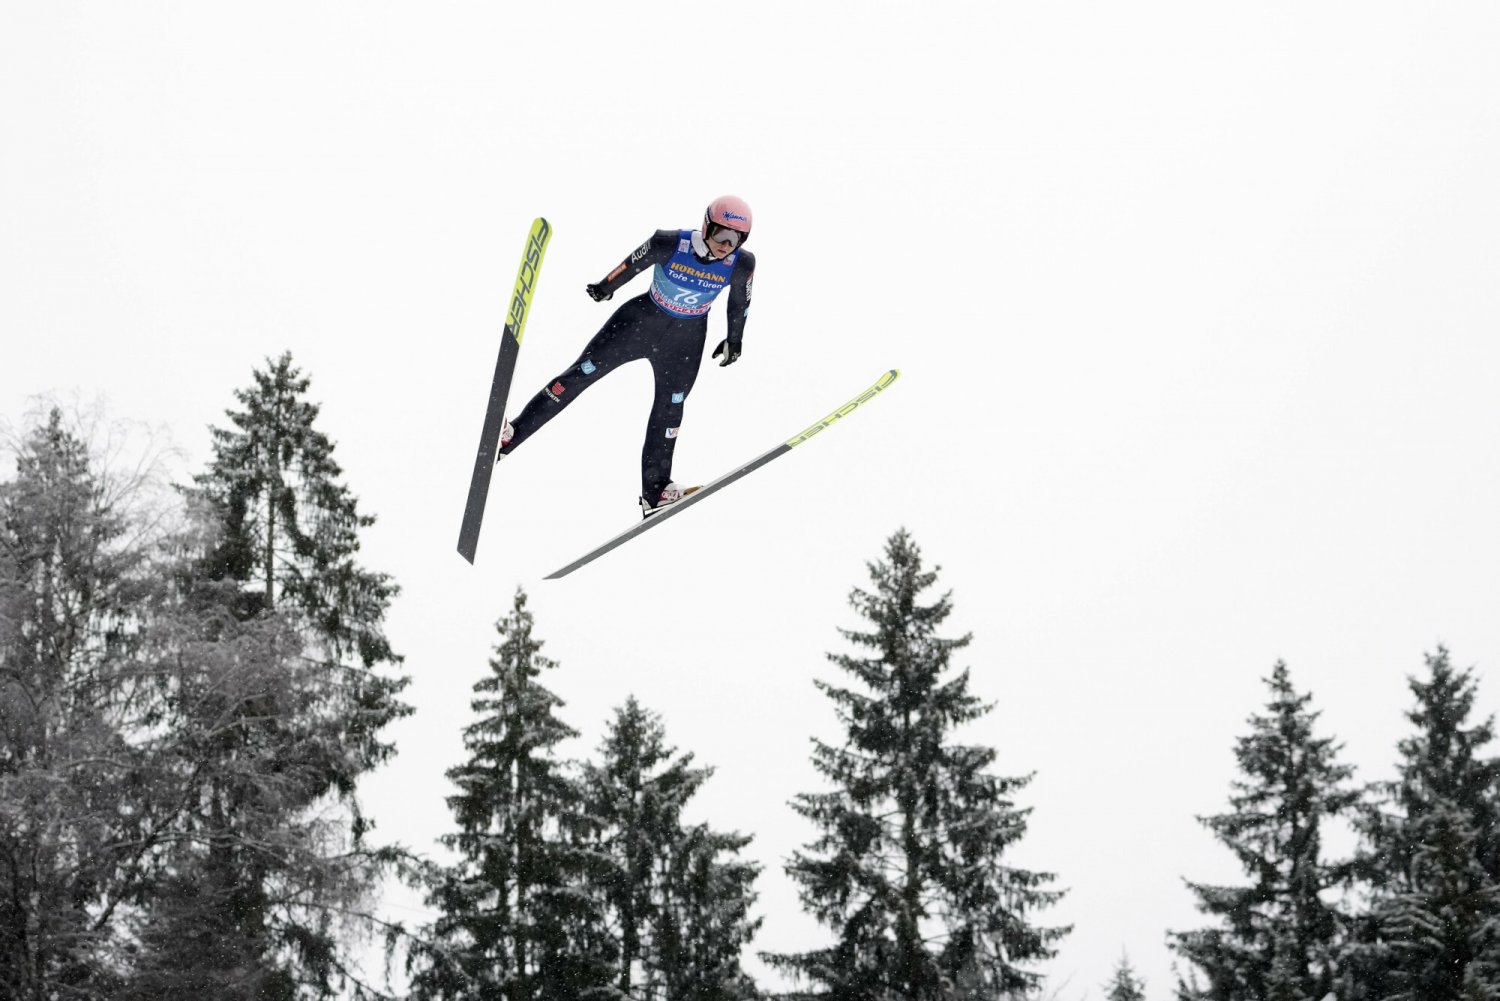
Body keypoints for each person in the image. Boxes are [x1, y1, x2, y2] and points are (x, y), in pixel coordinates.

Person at [497, 195, 757, 518]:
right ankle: (509, 437)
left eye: (736, 239)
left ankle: (656, 492)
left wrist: (735, 340)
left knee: (670, 410)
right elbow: (632, 263)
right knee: (580, 374)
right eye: (722, 234)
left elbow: (740, 303)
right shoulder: (669, 243)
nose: (726, 245)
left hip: (684, 345)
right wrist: (605, 287)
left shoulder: (741, 264)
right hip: (638, 325)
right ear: (706, 226)